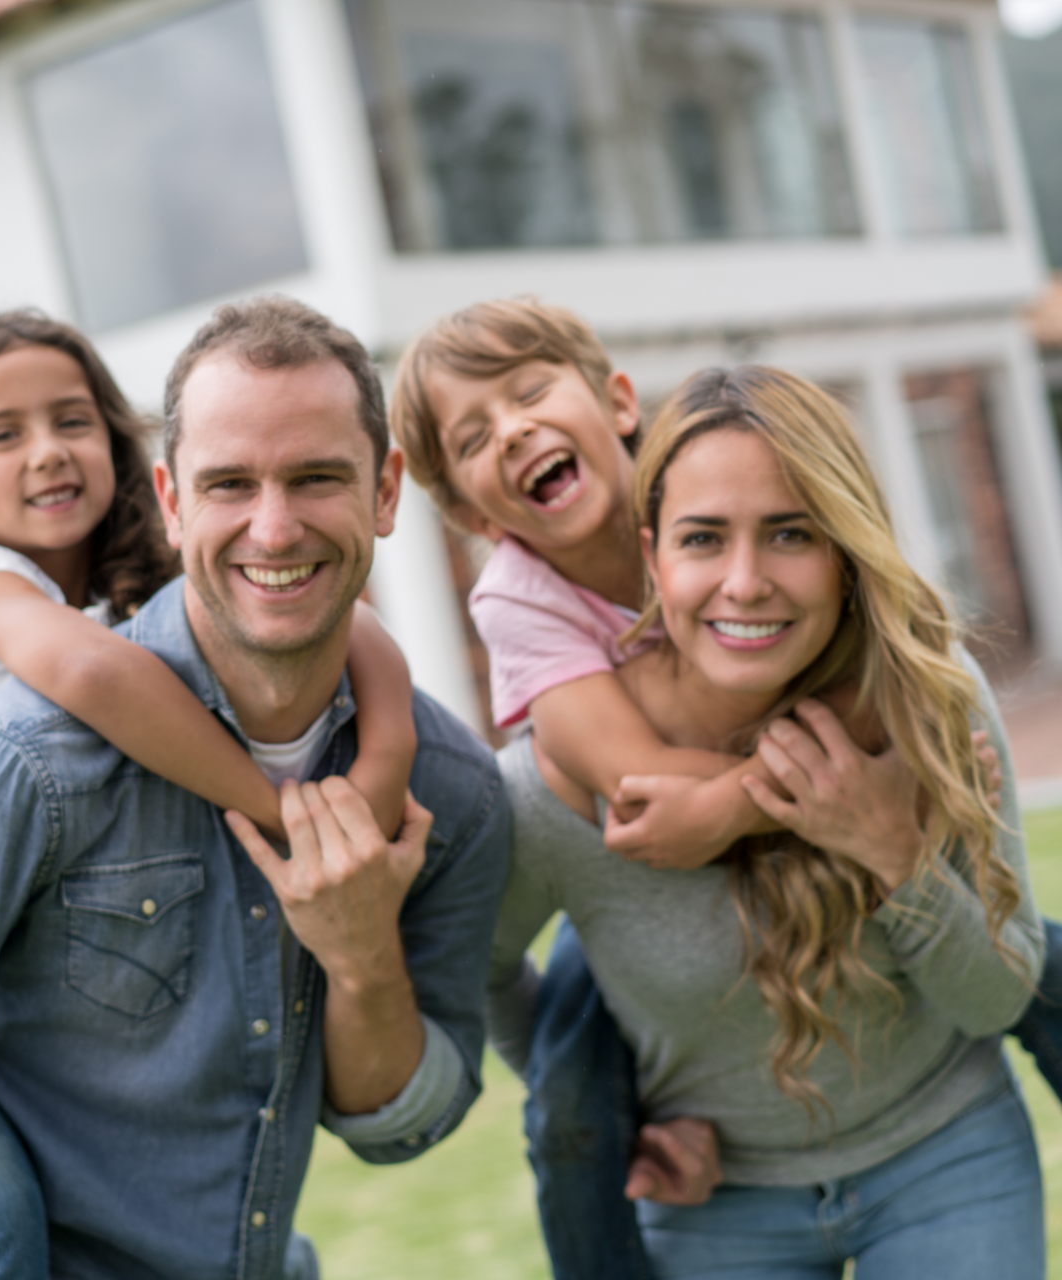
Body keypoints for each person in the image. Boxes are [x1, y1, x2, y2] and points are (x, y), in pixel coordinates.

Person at [0, 296, 510, 1279]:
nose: (274, 521)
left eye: (316, 476)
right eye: (229, 483)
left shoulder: (448, 790)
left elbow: (396, 1126)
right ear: (172, 498)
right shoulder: (17, 738)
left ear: (386, 490)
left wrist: (361, 950)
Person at [389, 297, 1060, 1280]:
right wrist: (629, 1119)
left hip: (942, 1143)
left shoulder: (919, 701)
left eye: (788, 533)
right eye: (701, 540)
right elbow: (619, 802)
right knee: (574, 1109)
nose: (741, 581)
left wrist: (889, 847)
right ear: (657, 552)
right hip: (716, 1202)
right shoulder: (536, 702)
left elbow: (994, 993)